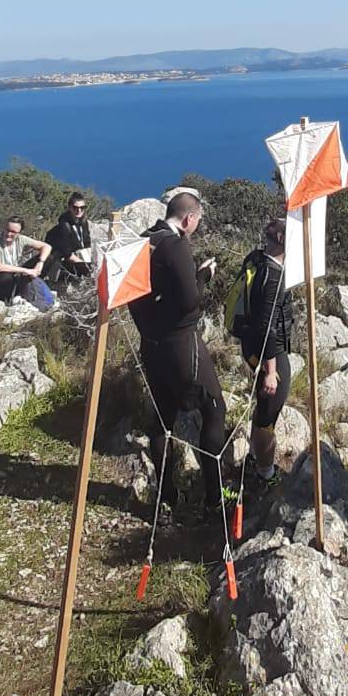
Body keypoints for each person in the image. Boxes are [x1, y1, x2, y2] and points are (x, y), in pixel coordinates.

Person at [130, 188, 225, 517]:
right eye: (196, 221)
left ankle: (166, 495)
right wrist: (204, 275)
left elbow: (134, 294)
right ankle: (214, 498)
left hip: (151, 345)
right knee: (214, 409)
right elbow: (189, 300)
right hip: (182, 345)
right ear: (189, 218)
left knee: (161, 421)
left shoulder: (145, 240)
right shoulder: (176, 245)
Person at [230, 216, 294, 490]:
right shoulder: (275, 276)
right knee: (269, 410)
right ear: (282, 240)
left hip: (251, 347)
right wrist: (270, 372)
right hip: (267, 351)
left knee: (264, 405)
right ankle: (265, 474)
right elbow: (267, 328)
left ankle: (257, 458)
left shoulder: (256, 258)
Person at [0, 216, 57, 310]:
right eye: (7, 230)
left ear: (19, 233)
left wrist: (40, 263)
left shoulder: (20, 239)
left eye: (13, 232)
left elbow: (47, 247)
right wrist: (27, 270)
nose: (9, 234)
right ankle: (12, 298)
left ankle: (34, 288)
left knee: (49, 257)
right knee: (5, 276)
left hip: (14, 275)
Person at [44, 192, 94, 289]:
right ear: (70, 207)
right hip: (61, 262)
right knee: (89, 270)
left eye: (82, 208)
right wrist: (85, 265)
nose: (79, 210)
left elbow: (86, 243)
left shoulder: (83, 222)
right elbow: (67, 253)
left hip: (77, 256)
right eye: (75, 208)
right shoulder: (64, 225)